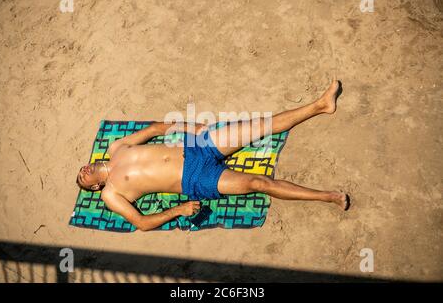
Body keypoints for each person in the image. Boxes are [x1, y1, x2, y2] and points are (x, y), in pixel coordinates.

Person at [76, 78, 350, 231]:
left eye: (80, 170)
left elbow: (155, 129)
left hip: (195, 146)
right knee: (259, 184)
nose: (83, 173)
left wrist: (191, 127)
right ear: (95, 186)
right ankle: (329, 196)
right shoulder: (110, 193)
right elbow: (142, 223)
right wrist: (179, 210)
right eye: (83, 181)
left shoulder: (116, 148)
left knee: (260, 126)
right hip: (195, 178)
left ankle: (321, 105)